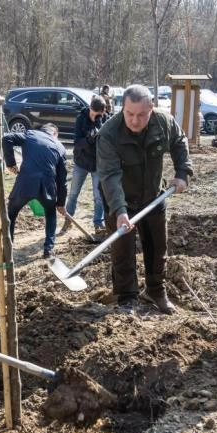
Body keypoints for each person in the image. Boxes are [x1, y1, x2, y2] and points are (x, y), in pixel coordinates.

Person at [97, 84, 192, 315]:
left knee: (157, 248)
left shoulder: (163, 122)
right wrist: (120, 211)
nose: (135, 120)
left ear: (151, 108)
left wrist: (182, 173)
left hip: (153, 196)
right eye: (129, 113)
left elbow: (179, 141)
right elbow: (110, 176)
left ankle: (155, 291)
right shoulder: (109, 134)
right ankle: (126, 297)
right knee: (123, 251)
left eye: (141, 115)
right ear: (122, 108)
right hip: (119, 199)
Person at [2, 123, 68, 259]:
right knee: (50, 214)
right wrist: (61, 203)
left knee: (11, 214)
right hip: (47, 186)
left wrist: (10, 163)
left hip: (26, 183)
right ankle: (48, 249)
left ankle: (7, 250)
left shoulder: (31, 134)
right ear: (55, 134)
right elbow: (62, 180)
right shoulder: (60, 147)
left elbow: (6, 138)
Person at [60, 95, 107, 237]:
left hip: (98, 163)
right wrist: (89, 139)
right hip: (82, 162)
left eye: (97, 114)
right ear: (90, 108)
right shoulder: (81, 118)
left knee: (99, 196)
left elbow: (109, 140)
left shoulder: (105, 119)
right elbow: (76, 142)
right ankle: (68, 220)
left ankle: (98, 223)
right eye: (92, 113)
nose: (94, 116)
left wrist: (100, 134)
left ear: (102, 112)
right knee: (74, 193)